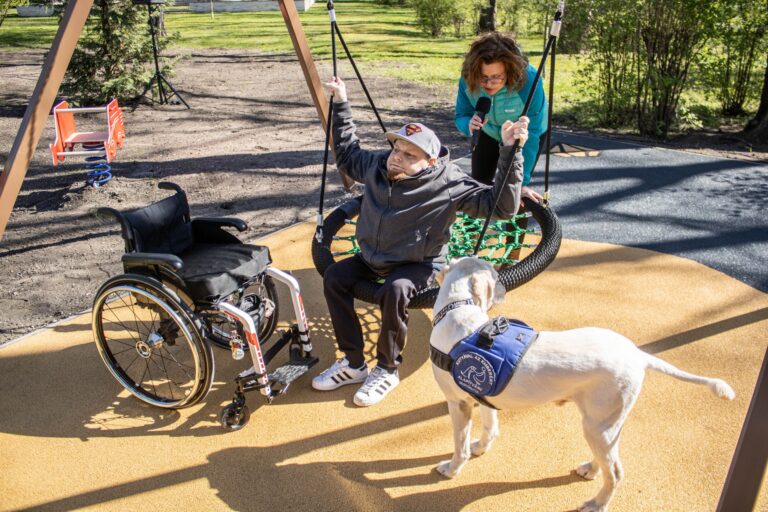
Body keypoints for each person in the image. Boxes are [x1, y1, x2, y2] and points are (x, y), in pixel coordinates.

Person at [311, 76, 530, 407]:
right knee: (335, 278)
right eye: (396, 148)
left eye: (409, 154)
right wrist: (340, 102)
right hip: (372, 256)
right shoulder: (376, 166)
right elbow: (346, 153)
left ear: (429, 161)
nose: (397, 157)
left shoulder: (448, 182)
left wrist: (510, 151)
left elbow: (501, 207)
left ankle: (387, 369)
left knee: (394, 291)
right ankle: (354, 363)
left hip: (418, 261)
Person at [455, 32, 548, 205]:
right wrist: (468, 125)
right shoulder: (468, 78)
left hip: (521, 134)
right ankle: (478, 231)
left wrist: (523, 183)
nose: (489, 84)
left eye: (497, 77)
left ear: (510, 71)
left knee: (517, 191)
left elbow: (532, 131)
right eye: (484, 77)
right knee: (478, 186)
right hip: (488, 131)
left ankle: (514, 232)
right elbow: (462, 115)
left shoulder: (529, 81)